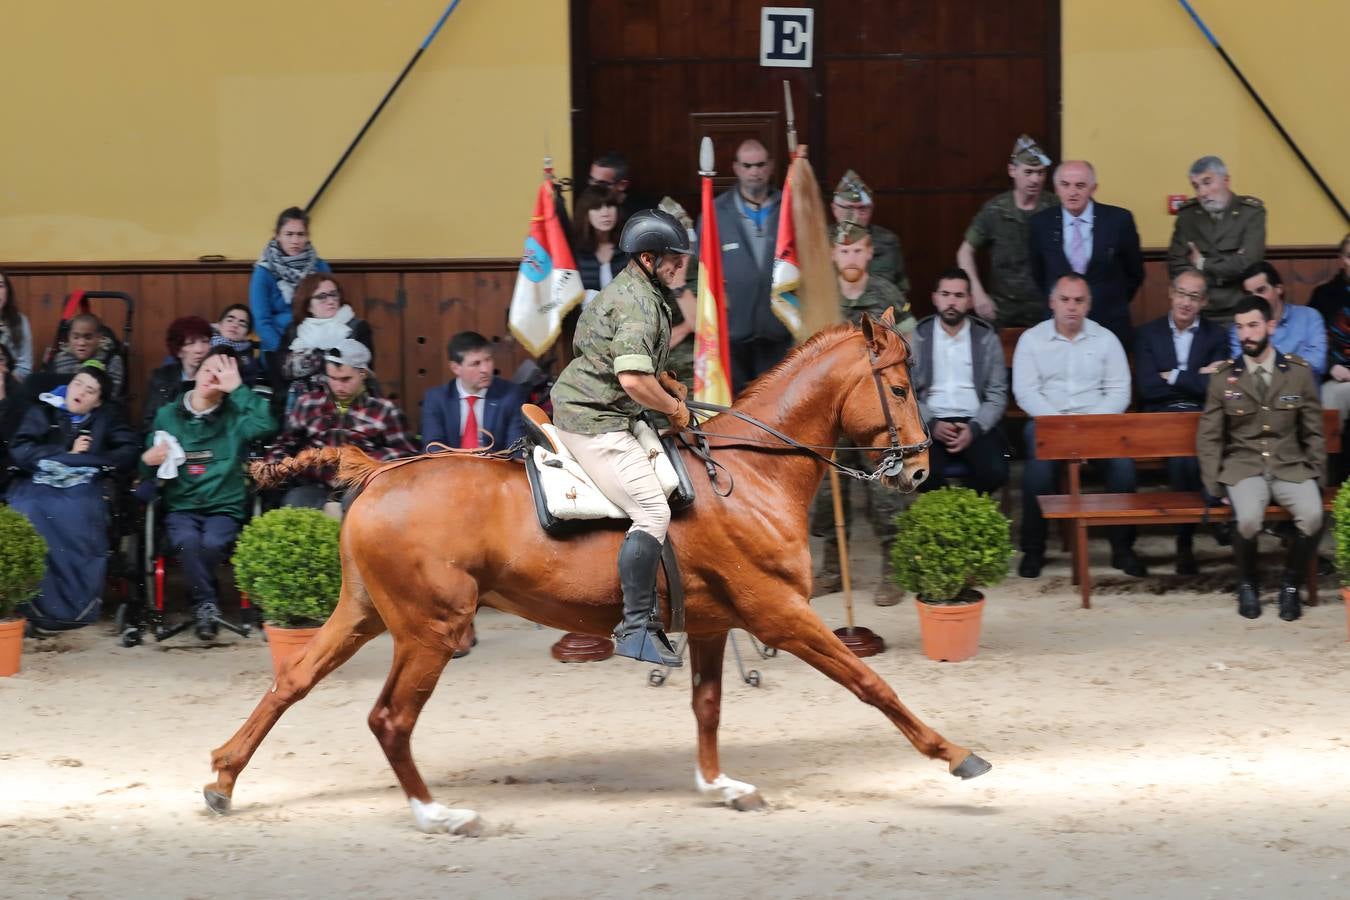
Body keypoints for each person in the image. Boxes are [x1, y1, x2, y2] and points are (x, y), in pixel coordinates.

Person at [550, 210, 693, 667]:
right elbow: (631, 378)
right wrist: (673, 408)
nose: (682, 267)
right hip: (595, 421)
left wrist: (665, 382)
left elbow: (620, 362)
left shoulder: (636, 289)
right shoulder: (640, 304)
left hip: (607, 406)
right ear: (649, 259)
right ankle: (635, 627)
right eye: (675, 259)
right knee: (652, 509)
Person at [1197, 295, 1324, 621]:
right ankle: (1247, 583)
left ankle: (1290, 585)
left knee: (1312, 516)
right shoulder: (1224, 377)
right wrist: (1215, 486)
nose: (1246, 335)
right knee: (1249, 518)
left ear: (1269, 325)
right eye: (1239, 327)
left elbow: (1313, 431)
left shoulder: (1297, 373)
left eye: (1252, 325)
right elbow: (1209, 436)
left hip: (1289, 465)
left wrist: (1316, 476)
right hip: (1244, 467)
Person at [810, 222, 915, 606]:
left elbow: (905, 351)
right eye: (844, 250)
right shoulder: (820, 298)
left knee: (882, 489)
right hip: (834, 412)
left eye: (858, 251)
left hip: (875, 412)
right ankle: (833, 570)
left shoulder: (887, 296)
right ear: (834, 255)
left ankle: (893, 569)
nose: (851, 257)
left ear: (869, 253)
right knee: (827, 492)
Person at [1013, 274, 1145, 578]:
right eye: (1065, 300)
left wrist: (1088, 427)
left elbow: (1119, 391)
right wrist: (1062, 428)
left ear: (1088, 305)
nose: (1071, 307)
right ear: (1052, 302)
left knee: (1123, 468)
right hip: (1048, 424)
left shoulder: (1106, 339)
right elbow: (1026, 392)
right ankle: (1034, 551)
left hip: (1098, 424)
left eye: (1078, 300)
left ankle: (1122, 549)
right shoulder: (1032, 340)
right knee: (1037, 471)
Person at [142, 349, 276, 640]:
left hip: (224, 507)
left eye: (221, 375)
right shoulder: (167, 415)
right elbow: (149, 467)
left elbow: (267, 425)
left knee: (213, 542)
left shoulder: (236, 417)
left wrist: (238, 390)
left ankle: (204, 606)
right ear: (196, 373)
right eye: (207, 370)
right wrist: (148, 460)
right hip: (182, 506)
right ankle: (207, 604)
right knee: (186, 541)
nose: (211, 378)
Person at [6, 365, 139, 630]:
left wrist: (93, 461)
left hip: (85, 485)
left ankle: (76, 608)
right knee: (26, 508)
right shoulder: (43, 409)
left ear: (98, 401)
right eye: (78, 384)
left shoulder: (106, 418)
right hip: (39, 481)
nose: (81, 392)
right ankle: (29, 605)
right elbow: (21, 449)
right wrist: (65, 451)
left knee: (81, 511)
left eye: (90, 390)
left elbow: (128, 449)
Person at [1134, 269, 1230, 573]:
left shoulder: (1217, 335)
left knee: (1194, 449)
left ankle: (1187, 537)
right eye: (1182, 293)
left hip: (1204, 413)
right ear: (1170, 294)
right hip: (1161, 414)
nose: (1186, 302)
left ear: (1203, 302)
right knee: (1181, 455)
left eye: (1194, 296)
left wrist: (1173, 375)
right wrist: (1197, 375)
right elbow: (1148, 387)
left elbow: (1217, 388)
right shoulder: (1148, 333)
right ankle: (1191, 534)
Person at [265, 340, 416, 509]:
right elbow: (285, 443)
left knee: (356, 505)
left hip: (362, 486)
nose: (338, 386)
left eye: (346, 379)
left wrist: (364, 460)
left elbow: (408, 455)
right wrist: (276, 465)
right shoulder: (307, 403)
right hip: (315, 485)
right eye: (332, 378)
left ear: (363, 374)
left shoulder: (385, 410)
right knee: (294, 501)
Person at [695, 139, 787, 392]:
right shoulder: (715, 212)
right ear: (736, 168)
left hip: (779, 333)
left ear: (770, 167)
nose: (754, 172)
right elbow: (699, 273)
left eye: (759, 165)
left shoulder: (789, 209)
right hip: (730, 335)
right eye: (747, 165)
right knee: (733, 414)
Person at [911, 268, 1010, 494]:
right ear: (935, 298)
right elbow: (905, 393)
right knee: (921, 474)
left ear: (970, 301)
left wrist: (974, 428)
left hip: (974, 420)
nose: (951, 302)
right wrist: (932, 424)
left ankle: (964, 509)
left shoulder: (986, 338)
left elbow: (997, 393)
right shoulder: (919, 336)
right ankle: (951, 513)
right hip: (929, 421)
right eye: (945, 295)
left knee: (996, 470)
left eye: (959, 296)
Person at [1029, 160, 1144, 346]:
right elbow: (1039, 274)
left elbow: (1135, 273)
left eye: (1080, 185)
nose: (1072, 192)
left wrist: (1107, 299)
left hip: (1110, 323)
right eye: (1065, 185)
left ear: (1093, 188)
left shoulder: (1119, 220)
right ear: (1056, 188)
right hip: (1059, 326)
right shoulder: (1041, 224)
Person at [956, 134, 1057, 327]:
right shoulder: (995, 210)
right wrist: (977, 293)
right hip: (1002, 312)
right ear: (1012, 170)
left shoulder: (1054, 208)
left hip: (1045, 311)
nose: (1035, 179)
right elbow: (964, 252)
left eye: (1041, 172)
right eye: (1028, 172)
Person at [1167, 156, 1267, 323]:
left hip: (1240, 310)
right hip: (1199, 309)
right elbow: (1176, 264)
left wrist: (1202, 265)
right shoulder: (1188, 215)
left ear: (1226, 181)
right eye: (1196, 186)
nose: (1202, 193)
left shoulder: (1251, 213)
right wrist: (1228, 267)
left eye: (1207, 182)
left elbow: (1249, 264)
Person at [273, 273, 375, 409]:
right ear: (308, 305)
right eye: (322, 297)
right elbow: (283, 369)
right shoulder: (294, 330)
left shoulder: (357, 327)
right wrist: (329, 358)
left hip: (347, 405)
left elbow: (362, 371)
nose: (331, 300)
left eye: (334, 294)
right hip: (300, 406)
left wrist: (308, 359)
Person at [421, 331, 527, 452]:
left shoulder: (511, 395)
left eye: (488, 360)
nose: (485, 369)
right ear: (456, 368)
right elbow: (433, 447)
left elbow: (517, 448)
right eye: (475, 364)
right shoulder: (437, 399)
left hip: (496, 467)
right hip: (450, 467)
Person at [251, 206, 332, 357]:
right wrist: (287, 354)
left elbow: (331, 310)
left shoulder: (320, 267)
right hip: (278, 348)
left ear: (308, 236)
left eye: (300, 234)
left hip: (318, 344)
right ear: (277, 235)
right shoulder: (264, 271)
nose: (295, 241)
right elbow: (262, 322)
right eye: (289, 234)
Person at [1230, 262, 1326, 380]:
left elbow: (1318, 364)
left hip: (1302, 391)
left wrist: (1266, 367)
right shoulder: (1239, 328)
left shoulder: (1309, 317)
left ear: (1279, 289)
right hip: (1261, 393)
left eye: (1261, 290)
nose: (1255, 298)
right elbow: (1243, 368)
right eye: (1249, 294)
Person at [830, 169, 908, 294]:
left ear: (871, 209)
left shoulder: (888, 241)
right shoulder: (820, 242)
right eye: (849, 208)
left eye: (862, 209)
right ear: (834, 209)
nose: (855, 215)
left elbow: (901, 289)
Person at [141, 316, 213, 433]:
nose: (199, 349)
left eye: (204, 341)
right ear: (179, 351)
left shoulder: (217, 378)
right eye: (191, 343)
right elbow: (149, 423)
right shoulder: (161, 377)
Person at [40, 312, 126, 398]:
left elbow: (112, 394)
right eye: (76, 337)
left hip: (98, 408)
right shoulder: (59, 359)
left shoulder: (111, 359)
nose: (81, 343)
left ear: (99, 338)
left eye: (88, 338)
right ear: (69, 338)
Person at [572, 186, 629, 294]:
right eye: (597, 208)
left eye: (610, 206)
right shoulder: (575, 251)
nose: (605, 213)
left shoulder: (628, 249)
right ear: (586, 214)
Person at [588, 151, 652, 222]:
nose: (593, 187)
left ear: (622, 185)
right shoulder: (584, 205)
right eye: (592, 180)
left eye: (602, 183)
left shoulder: (640, 214)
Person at [212, 303, 265, 387]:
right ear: (219, 324)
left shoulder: (249, 361)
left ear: (247, 334)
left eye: (242, 324)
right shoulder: (205, 347)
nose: (235, 325)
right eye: (230, 320)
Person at [0, 270, 34, 380]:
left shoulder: (20, 321)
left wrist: (6, 383)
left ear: (7, 291)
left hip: (11, 384)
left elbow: (25, 368)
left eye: (0, 286)